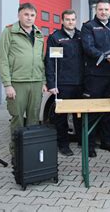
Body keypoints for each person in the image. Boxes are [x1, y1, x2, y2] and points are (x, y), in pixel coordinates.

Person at [0, 3, 47, 160]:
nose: (29, 18)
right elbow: (2, 59)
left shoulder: (39, 34)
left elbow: (41, 60)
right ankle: (16, 153)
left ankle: (30, 152)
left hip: (36, 82)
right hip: (17, 83)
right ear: (19, 15)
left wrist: (43, 81)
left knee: (33, 119)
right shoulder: (9, 32)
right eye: (26, 14)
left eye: (32, 15)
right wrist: (7, 84)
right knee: (17, 118)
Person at [81, 1, 110, 157]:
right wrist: (106, 57)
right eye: (101, 9)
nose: (103, 12)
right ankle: (90, 145)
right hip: (94, 75)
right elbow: (88, 47)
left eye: (106, 9)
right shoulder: (88, 26)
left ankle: (106, 141)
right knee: (92, 110)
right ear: (96, 10)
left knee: (108, 111)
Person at [45, 9, 84, 157]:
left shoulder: (81, 36)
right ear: (62, 21)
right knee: (61, 117)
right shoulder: (56, 38)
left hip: (80, 82)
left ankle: (82, 140)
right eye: (67, 19)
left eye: (73, 19)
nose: (70, 22)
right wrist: (51, 84)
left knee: (79, 115)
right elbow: (51, 62)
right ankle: (63, 144)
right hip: (63, 83)